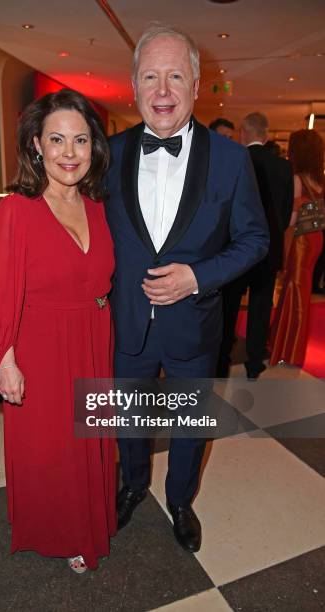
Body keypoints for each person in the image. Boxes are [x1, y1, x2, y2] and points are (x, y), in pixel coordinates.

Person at [105, 25, 269, 553]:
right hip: (125, 320)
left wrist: (197, 277)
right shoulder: (105, 155)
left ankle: (180, 499)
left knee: (190, 422)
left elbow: (256, 239)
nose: (162, 91)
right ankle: (132, 485)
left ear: (197, 84)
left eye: (175, 76)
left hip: (195, 324)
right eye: (150, 76)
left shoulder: (231, 159)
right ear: (133, 85)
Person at [0, 89, 116, 572]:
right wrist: (4, 359)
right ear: (36, 144)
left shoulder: (99, 208)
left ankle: (90, 520)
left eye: (80, 140)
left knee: (90, 438)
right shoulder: (15, 211)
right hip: (41, 346)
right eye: (57, 139)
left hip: (93, 338)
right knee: (54, 446)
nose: (69, 153)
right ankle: (65, 532)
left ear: (93, 147)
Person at [217, 112, 294, 379]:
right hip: (268, 248)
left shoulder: (235, 160)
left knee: (230, 304)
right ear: (266, 134)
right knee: (261, 306)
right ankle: (254, 362)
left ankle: (223, 354)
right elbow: (284, 214)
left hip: (236, 247)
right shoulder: (283, 167)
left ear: (244, 133)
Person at [270, 129, 324, 366]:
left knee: (294, 290)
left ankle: (289, 348)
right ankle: (286, 343)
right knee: (299, 291)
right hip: (315, 239)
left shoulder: (297, 179)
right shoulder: (319, 180)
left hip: (300, 241)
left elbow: (291, 220)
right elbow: (319, 217)